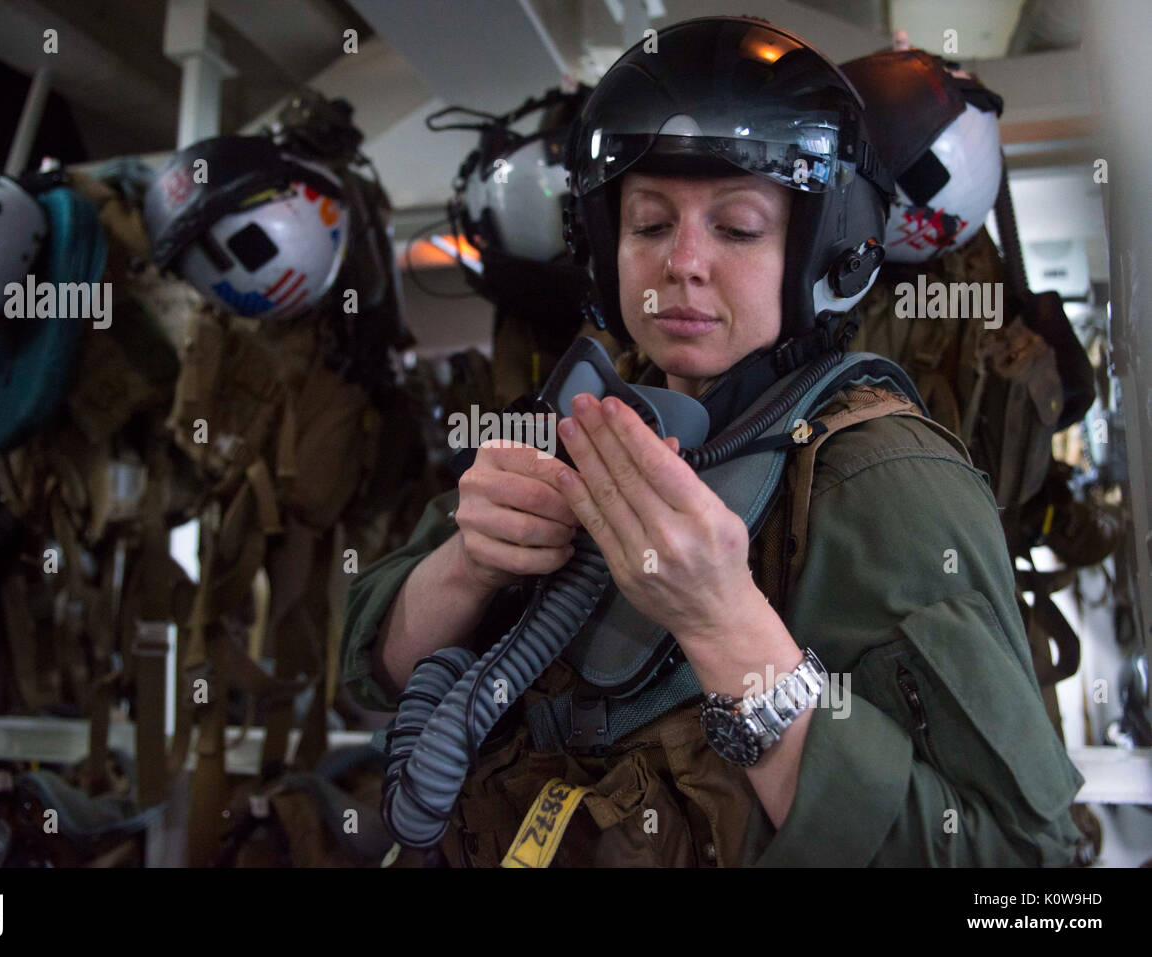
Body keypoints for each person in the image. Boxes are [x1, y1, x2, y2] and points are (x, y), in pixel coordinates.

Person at [342, 16, 1084, 867]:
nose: (681, 263)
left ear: (826, 254)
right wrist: (466, 566)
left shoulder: (884, 478)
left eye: (736, 228)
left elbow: (1027, 876)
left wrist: (727, 627)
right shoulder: (580, 419)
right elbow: (375, 671)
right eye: (650, 224)